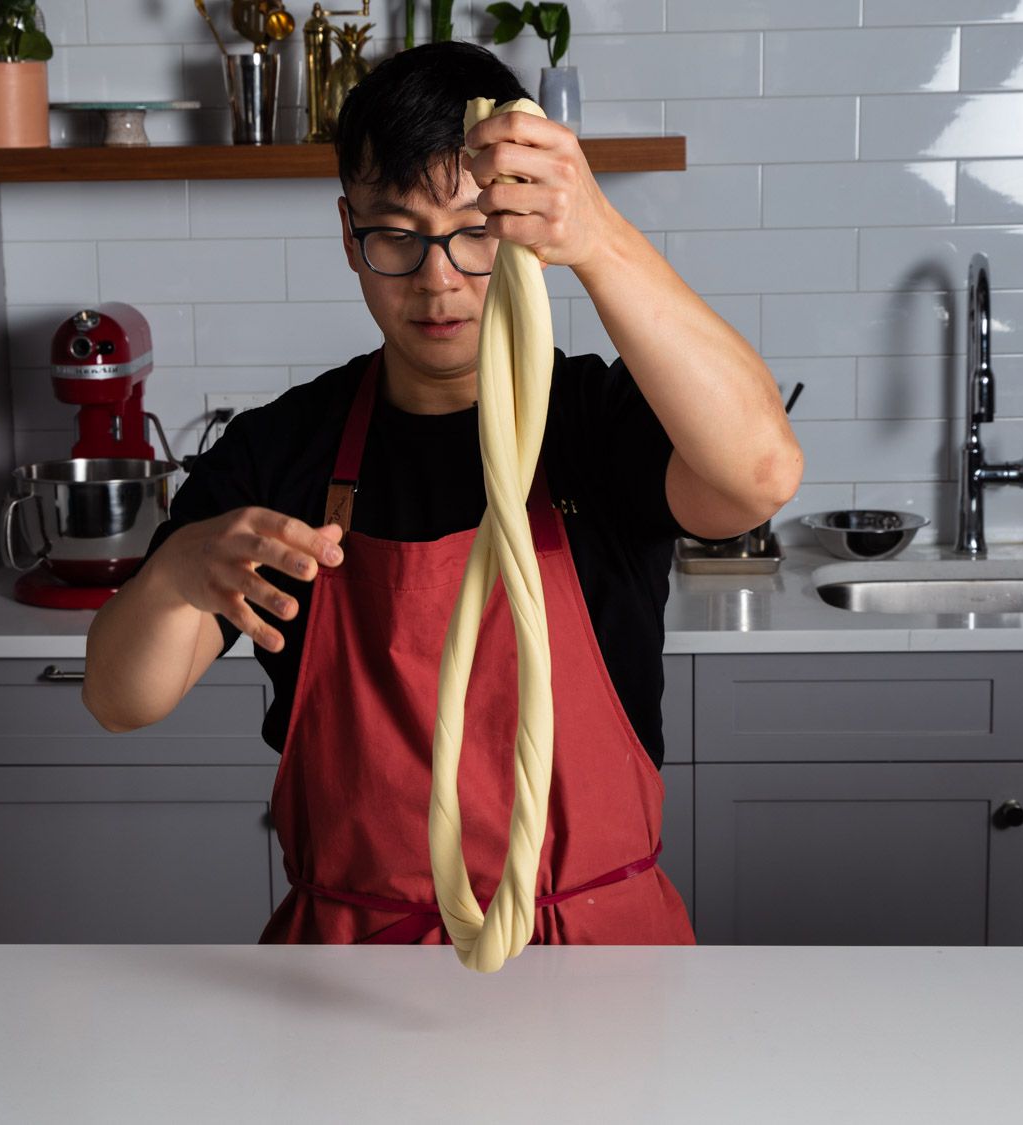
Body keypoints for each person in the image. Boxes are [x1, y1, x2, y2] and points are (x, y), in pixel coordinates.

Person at [83, 41, 802, 945]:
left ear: (524, 224)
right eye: (397, 234)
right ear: (349, 234)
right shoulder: (282, 453)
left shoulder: (596, 423)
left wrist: (602, 239)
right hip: (352, 979)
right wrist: (181, 570)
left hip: (604, 966)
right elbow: (119, 698)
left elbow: (761, 473)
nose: (438, 277)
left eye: (474, 230)